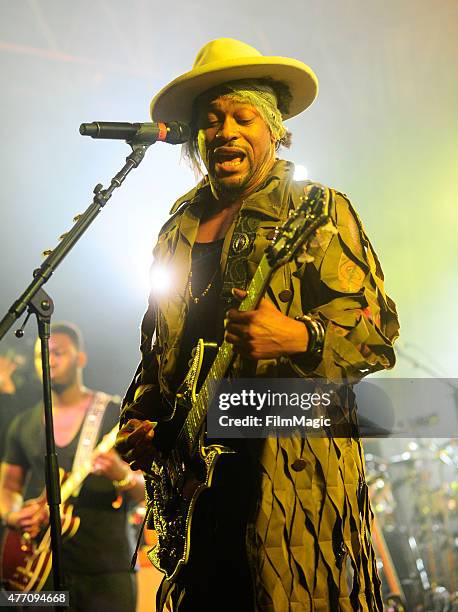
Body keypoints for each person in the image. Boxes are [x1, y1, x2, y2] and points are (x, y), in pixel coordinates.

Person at [115, 38, 400, 611]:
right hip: (194, 483)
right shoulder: (177, 228)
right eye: (212, 120)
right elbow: (162, 347)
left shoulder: (317, 209)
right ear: (195, 137)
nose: (226, 131)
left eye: (243, 116)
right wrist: (141, 417)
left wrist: (301, 336)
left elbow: (377, 330)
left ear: (273, 130)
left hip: (285, 468)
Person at [0, 322, 144, 611]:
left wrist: (121, 476)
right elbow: (8, 488)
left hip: (107, 573)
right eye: (42, 355)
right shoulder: (24, 423)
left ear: (80, 358)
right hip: (38, 574)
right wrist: (15, 514)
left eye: (58, 353)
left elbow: (147, 492)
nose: (49, 361)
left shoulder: (117, 413)